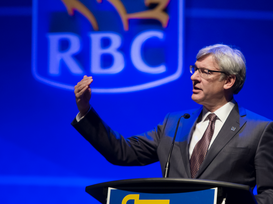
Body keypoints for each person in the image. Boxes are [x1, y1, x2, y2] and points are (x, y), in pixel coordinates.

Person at [72, 44, 273, 204]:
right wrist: (85, 111)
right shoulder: (175, 122)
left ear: (229, 81)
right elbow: (123, 152)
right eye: (195, 69)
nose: (194, 77)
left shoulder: (259, 130)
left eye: (205, 72)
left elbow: (270, 193)